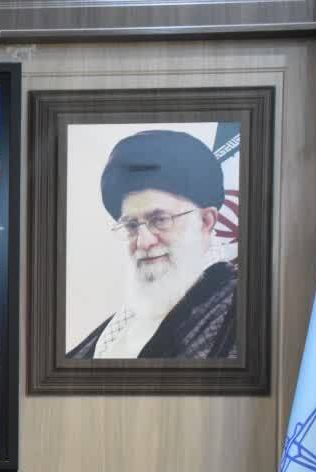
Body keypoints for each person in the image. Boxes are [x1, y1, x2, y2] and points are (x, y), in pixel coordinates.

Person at [68, 130, 237, 360]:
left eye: (160, 220)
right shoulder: (128, 317)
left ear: (205, 221)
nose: (143, 241)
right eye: (131, 225)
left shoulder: (239, 308)